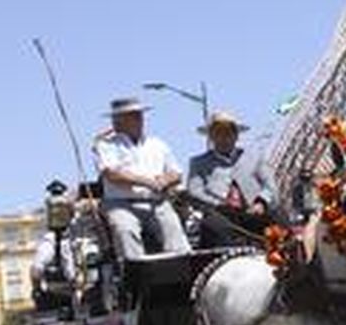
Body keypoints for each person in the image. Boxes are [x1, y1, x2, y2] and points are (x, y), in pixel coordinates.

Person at [93, 97, 190, 259]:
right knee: (125, 229)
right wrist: (148, 182)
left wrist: (165, 181)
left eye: (138, 115)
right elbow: (112, 173)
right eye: (131, 115)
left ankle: (182, 272)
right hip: (121, 204)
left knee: (174, 231)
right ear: (118, 119)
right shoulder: (106, 145)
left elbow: (177, 173)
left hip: (157, 203)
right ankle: (135, 275)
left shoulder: (157, 144)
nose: (138, 118)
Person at [186, 109, 277, 247]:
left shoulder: (255, 157)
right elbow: (194, 191)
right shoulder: (199, 163)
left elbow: (270, 186)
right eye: (218, 133)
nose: (224, 137)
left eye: (228, 132)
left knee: (282, 227)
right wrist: (219, 204)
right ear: (211, 137)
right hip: (220, 216)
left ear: (236, 135)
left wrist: (261, 202)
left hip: (254, 213)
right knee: (213, 227)